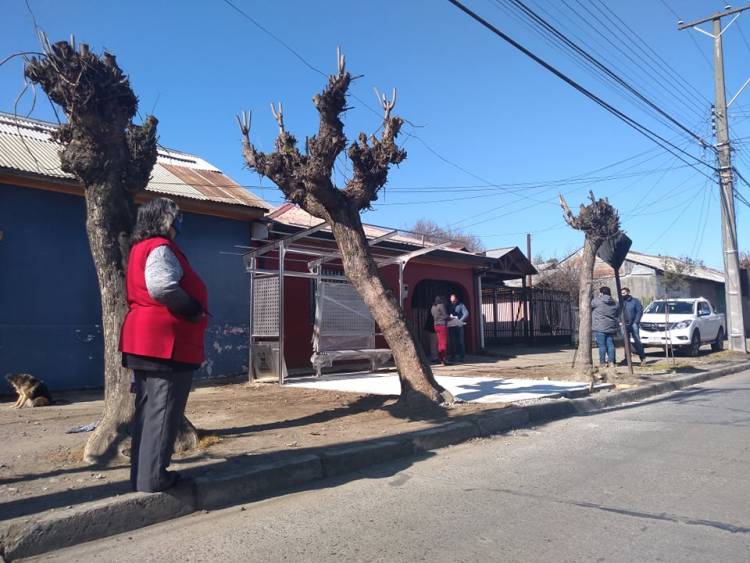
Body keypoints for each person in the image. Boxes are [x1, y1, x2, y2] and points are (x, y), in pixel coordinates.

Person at [119, 198, 208, 493]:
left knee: (148, 411)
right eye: (176, 219)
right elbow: (162, 286)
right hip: (165, 343)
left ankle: (142, 477)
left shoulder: (138, 249)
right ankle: (155, 479)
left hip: (142, 340)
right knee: (164, 410)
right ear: (165, 221)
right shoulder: (160, 247)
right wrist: (192, 308)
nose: (178, 225)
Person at [591, 286, 620, 369]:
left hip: (599, 327)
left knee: (602, 346)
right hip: (611, 327)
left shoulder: (597, 301)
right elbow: (617, 313)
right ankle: (611, 362)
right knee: (610, 344)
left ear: (601, 293)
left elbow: (590, 304)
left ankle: (602, 363)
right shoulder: (615, 302)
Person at [621, 286, 646, 363]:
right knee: (625, 341)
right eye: (621, 293)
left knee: (637, 340)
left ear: (628, 292)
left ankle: (642, 358)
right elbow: (617, 312)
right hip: (624, 324)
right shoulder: (621, 301)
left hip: (633, 324)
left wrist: (636, 322)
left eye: (624, 293)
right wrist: (620, 321)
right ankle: (627, 359)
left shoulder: (635, 301)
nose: (622, 294)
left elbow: (639, 311)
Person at [448, 293, 469, 362]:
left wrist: (460, 321)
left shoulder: (461, 305)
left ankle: (462, 357)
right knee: (452, 342)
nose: (452, 302)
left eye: (453, 301)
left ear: (457, 299)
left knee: (460, 342)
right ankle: (453, 356)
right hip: (452, 326)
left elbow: (466, 313)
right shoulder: (449, 305)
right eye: (451, 301)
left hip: (459, 326)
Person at [431, 296, 449, 366]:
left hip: (436, 325)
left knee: (439, 343)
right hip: (442, 325)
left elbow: (433, 315)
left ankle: (440, 358)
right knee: (443, 343)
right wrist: (451, 318)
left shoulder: (433, 307)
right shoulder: (441, 305)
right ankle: (443, 359)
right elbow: (445, 316)